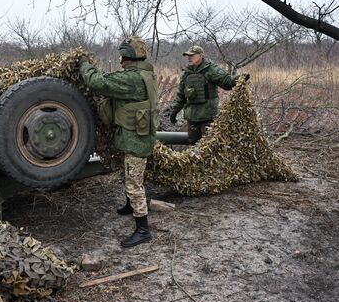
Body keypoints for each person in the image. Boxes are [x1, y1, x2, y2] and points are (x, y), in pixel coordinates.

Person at [80, 36, 158, 248]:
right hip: (135, 136)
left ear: (130, 58)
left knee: (134, 183)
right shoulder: (146, 73)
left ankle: (143, 230)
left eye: (123, 58)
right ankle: (129, 206)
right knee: (129, 175)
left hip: (136, 140)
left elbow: (98, 83)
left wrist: (84, 65)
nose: (121, 62)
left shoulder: (132, 79)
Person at [169, 45, 249, 143]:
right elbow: (181, 95)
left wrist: (239, 79)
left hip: (208, 117)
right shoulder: (186, 73)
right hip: (192, 117)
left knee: (209, 146)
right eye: (188, 56)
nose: (189, 58)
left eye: (192, 55)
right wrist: (174, 110)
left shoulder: (211, 69)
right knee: (193, 145)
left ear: (201, 55)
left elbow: (227, 82)